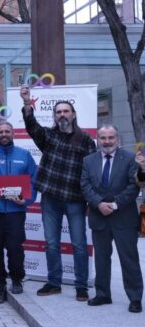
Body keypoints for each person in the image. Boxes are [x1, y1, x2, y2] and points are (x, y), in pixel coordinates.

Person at [20, 86, 96, 301]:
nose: (62, 115)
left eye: (66, 111)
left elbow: (91, 173)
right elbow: (31, 126)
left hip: (75, 200)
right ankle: (54, 282)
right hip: (51, 199)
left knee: (79, 245)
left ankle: (81, 286)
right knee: (51, 243)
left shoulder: (86, 141)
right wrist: (27, 103)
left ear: (73, 115)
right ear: (54, 116)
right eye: (58, 112)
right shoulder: (48, 136)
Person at [80, 125, 143, 313]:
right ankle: (102, 294)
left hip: (124, 217)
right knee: (101, 258)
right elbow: (85, 185)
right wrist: (99, 204)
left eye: (111, 137)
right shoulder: (88, 160)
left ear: (118, 139)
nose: (107, 141)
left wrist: (115, 204)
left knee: (129, 258)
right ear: (97, 140)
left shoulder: (131, 159)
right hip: (99, 217)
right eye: (103, 138)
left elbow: (134, 187)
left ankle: (135, 297)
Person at [0, 120, 38, 303]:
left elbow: (33, 180)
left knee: (15, 247)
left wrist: (26, 200)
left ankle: (17, 278)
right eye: (0, 132)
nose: (4, 134)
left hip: (15, 211)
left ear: (13, 134)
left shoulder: (24, 155)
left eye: (7, 132)